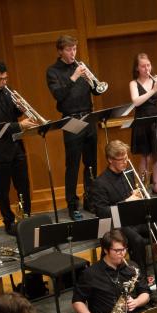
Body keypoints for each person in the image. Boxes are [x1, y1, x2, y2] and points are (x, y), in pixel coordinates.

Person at [90, 140, 157, 269]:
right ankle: (141, 280)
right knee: (137, 241)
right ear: (110, 160)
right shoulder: (100, 183)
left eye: (126, 158)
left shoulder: (128, 173)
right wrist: (127, 201)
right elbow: (102, 212)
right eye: (120, 159)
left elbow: (135, 197)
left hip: (136, 219)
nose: (125, 162)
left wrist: (138, 196)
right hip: (118, 225)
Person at [0, 59, 38, 236]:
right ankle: (8, 222)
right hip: (0, 150)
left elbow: (12, 113)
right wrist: (20, 125)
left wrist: (20, 107)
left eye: (5, 78)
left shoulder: (6, 92)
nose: (4, 82)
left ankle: (26, 216)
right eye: (0, 79)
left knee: (23, 185)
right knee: (3, 189)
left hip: (17, 146)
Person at [46, 34, 104, 221]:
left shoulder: (81, 66)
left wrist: (92, 80)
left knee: (91, 164)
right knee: (72, 165)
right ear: (60, 51)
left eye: (74, 49)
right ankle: (72, 205)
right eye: (69, 49)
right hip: (70, 119)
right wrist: (74, 77)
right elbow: (59, 95)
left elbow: (96, 90)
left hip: (89, 117)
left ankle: (90, 200)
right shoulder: (53, 71)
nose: (73, 53)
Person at [129, 53, 157, 195]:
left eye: (148, 65)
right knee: (145, 156)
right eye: (143, 66)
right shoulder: (133, 83)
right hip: (142, 120)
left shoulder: (156, 79)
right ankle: (142, 185)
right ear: (137, 68)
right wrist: (153, 91)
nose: (147, 68)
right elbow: (136, 101)